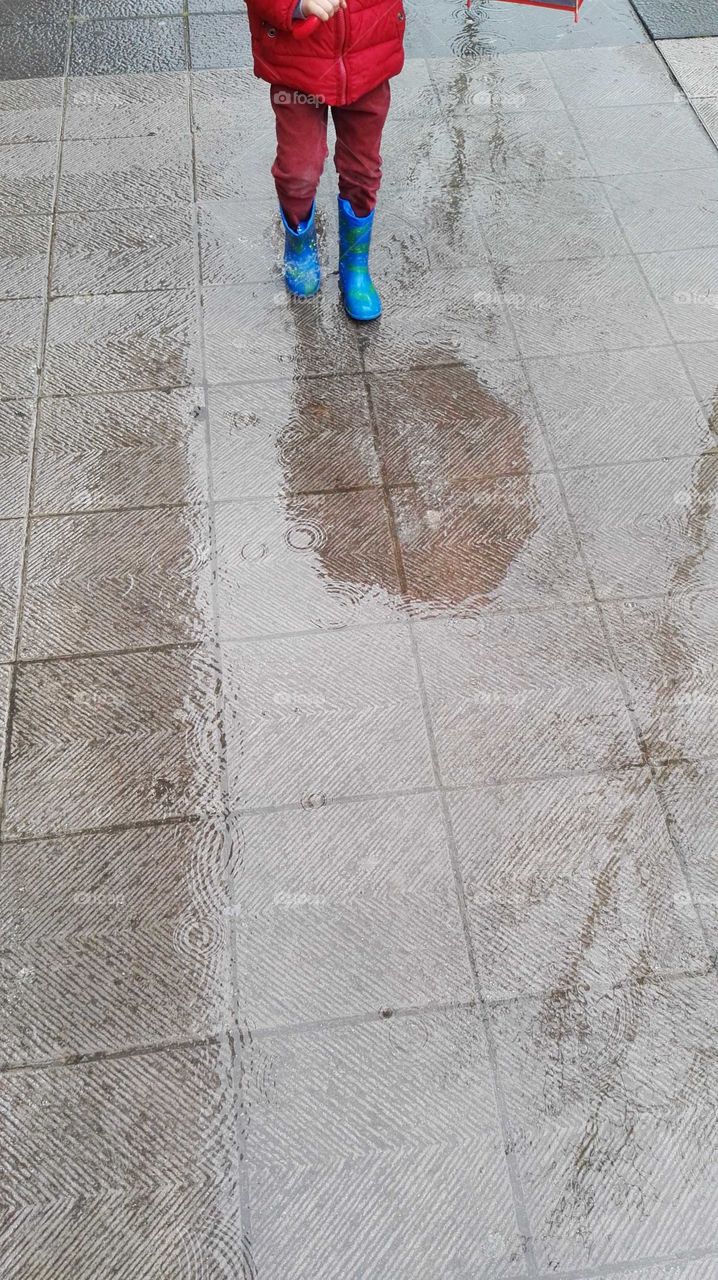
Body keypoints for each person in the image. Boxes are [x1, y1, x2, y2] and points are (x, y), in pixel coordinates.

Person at [245, 0, 406, 319]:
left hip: (369, 60)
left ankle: (355, 264)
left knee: (362, 169)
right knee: (297, 172)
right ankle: (299, 247)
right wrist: (295, 5)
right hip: (297, 66)